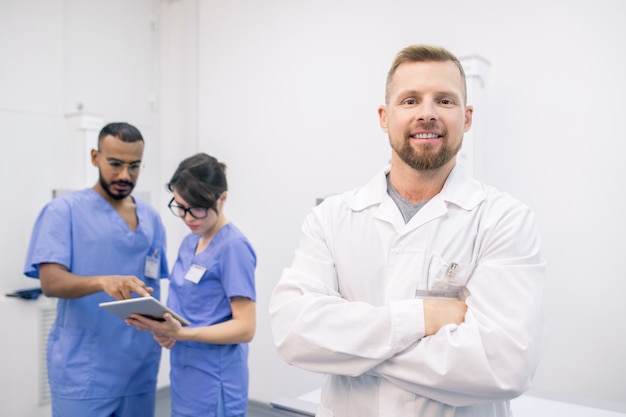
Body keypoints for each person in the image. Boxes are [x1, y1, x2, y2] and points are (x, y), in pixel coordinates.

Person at [269, 44, 546, 417]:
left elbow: (504, 365)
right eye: (410, 100)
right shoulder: (332, 218)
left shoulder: (505, 219)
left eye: (444, 101)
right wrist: (422, 319)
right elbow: (292, 331)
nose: (427, 114)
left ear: (467, 118)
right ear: (385, 117)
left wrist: (351, 348)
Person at [23, 122, 169, 417]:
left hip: (138, 365)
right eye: (114, 164)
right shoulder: (63, 211)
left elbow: (156, 284)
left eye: (134, 166)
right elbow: (50, 282)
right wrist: (102, 281)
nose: (124, 175)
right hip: (84, 371)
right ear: (95, 157)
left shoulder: (151, 218)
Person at [126, 153, 257, 417]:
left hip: (215, 378)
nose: (188, 218)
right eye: (181, 206)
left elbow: (245, 328)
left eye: (197, 208)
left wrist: (183, 334)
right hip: (185, 374)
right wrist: (164, 329)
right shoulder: (190, 243)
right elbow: (190, 311)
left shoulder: (233, 248)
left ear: (222, 198)